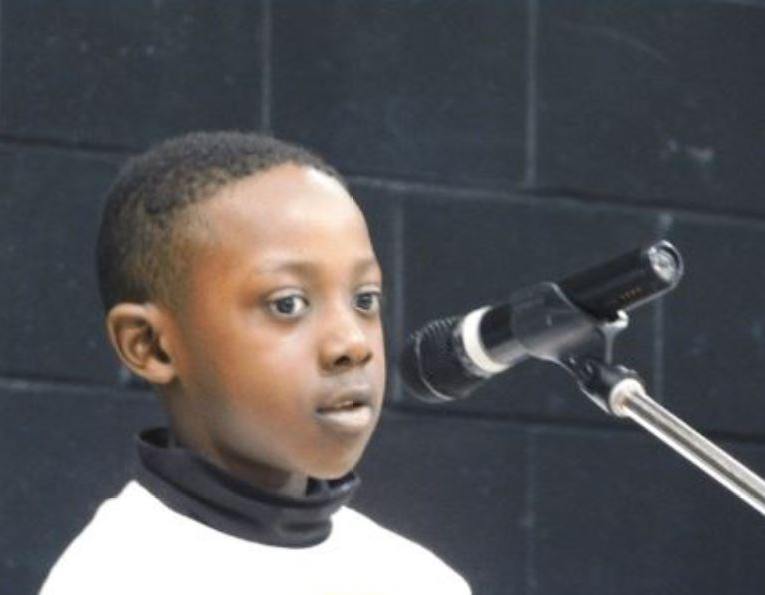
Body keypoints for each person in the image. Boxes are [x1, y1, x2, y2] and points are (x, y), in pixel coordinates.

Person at [39, 131, 471, 595]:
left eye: (365, 300)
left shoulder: (418, 579)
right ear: (151, 346)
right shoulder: (115, 578)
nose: (351, 343)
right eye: (287, 304)